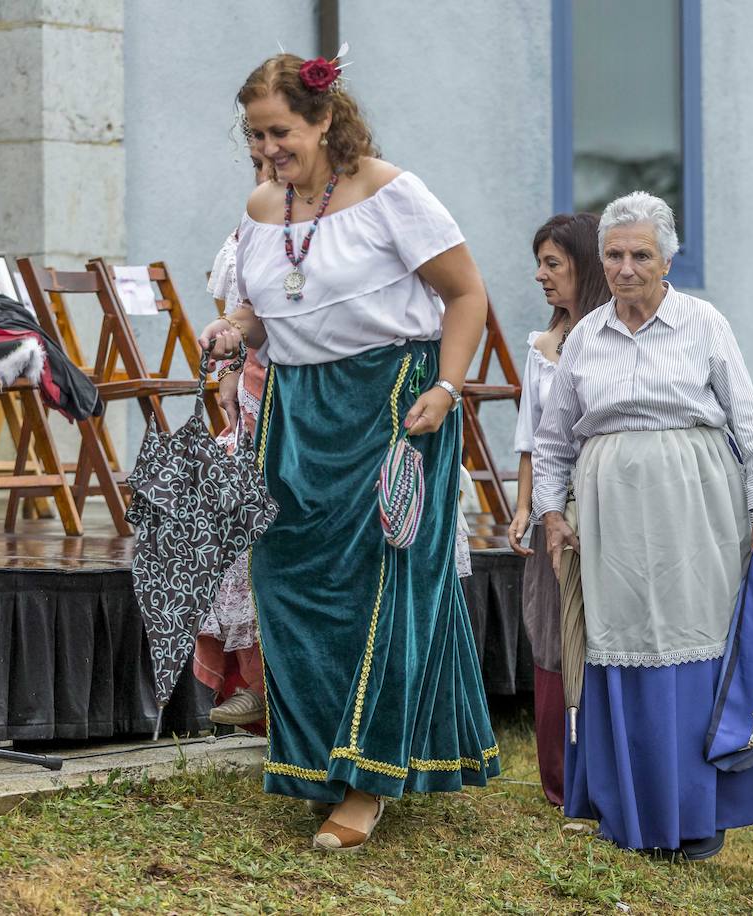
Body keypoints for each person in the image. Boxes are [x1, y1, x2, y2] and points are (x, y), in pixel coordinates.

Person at [198, 52, 499, 852]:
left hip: (393, 405)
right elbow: (261, 311)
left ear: (325, 118)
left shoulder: (390, 191)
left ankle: (367, 783)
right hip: (297, 414)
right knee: (286, 580)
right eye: (256, 135)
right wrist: (234, 332)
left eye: (281, 132)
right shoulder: (262, 206)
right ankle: (312, 761)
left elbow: (467, 293)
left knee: (380, 587)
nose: (268, 150)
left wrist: (449, 385)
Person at [531, 191, 753, 860]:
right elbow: (553, 439)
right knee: (620, 642)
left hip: (697, 505)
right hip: (610, 512)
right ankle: (632, 813)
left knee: (696, 638)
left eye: (640, 255)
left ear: (667, 261)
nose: (625, 268)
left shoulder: (704, 323)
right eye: (614, 255)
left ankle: (701, 818)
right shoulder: (586, 338)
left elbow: (751, 420)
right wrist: (552, 513)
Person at [506, 212, 610, 806]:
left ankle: (607, 765)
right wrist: (524, 507)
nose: (541, 276)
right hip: (553, 508)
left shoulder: (609, 338)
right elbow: (532, 437)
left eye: (554, 264)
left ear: (584, 267)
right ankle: (561, 774)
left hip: (604, 502)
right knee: (552, 626)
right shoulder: (540, 347)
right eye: (539, 263)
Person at [193, 150, 274, 730]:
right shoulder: (246, 234)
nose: (267, 169)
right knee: (239, 524)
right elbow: (234, 318)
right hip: (256, 398)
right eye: (256, 159)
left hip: (317, 396)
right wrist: (224, 370)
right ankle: (255, 680)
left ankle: (285, 687)